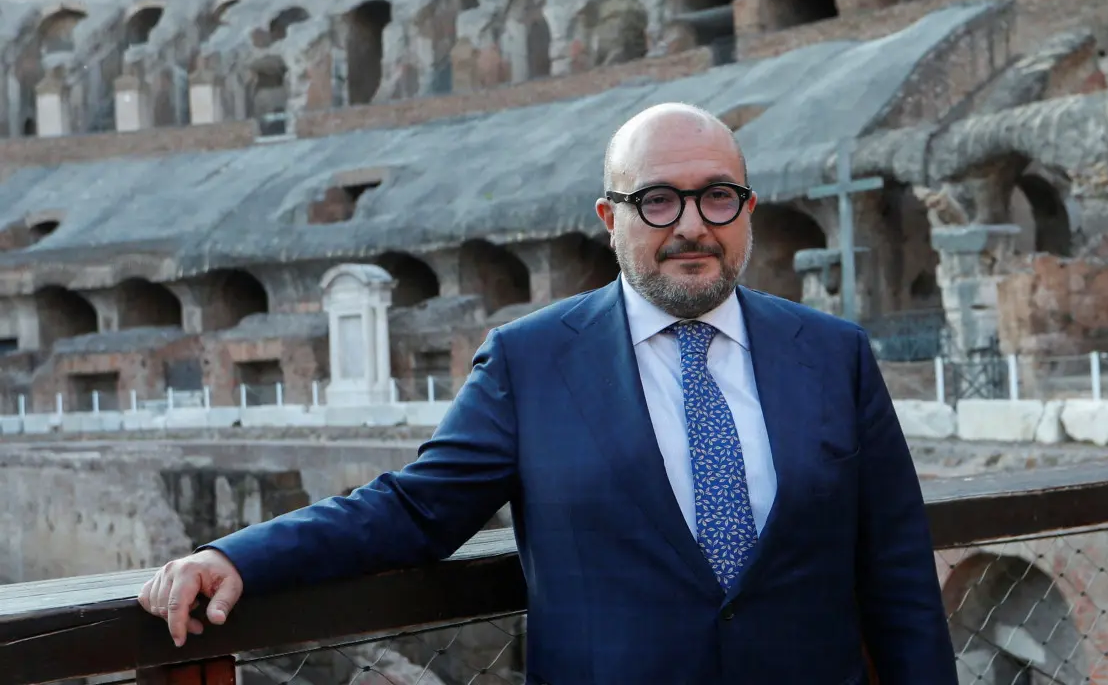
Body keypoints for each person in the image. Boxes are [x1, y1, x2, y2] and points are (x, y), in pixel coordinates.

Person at [139, 103, 958, 684]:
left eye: (717, 197)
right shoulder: (532, 361)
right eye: (658, 200)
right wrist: (235, 555)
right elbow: (415, 510)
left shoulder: (833, 353)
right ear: (611, 216)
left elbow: (895, 568)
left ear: (747, 212)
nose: (691, 226)